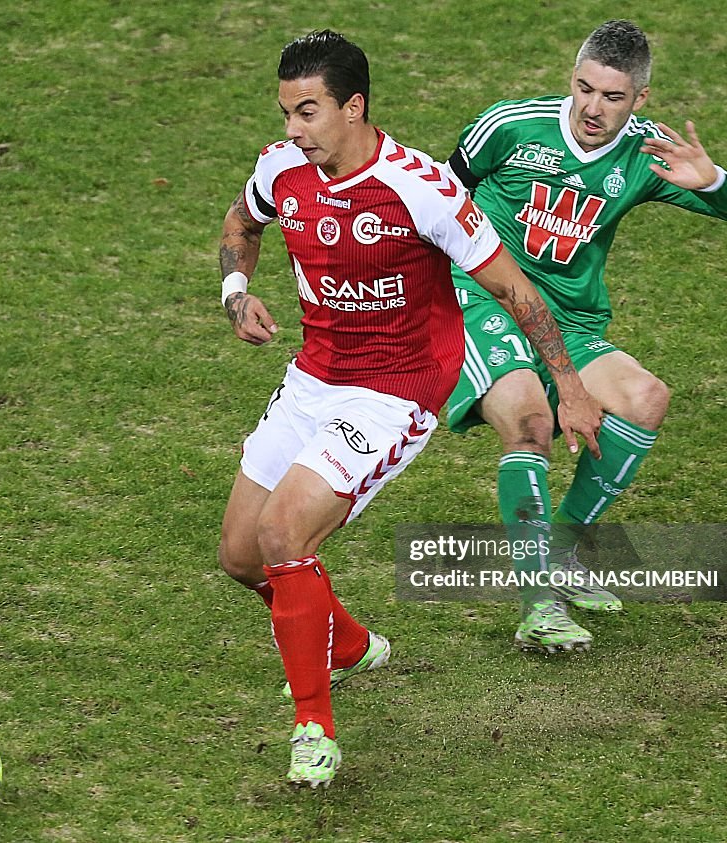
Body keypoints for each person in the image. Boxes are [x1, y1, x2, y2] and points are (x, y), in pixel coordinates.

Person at [216, 29, 601, 789]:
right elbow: (241, 224)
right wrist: (236, 293)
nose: (293, 127)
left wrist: (574, 388)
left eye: (309, 111)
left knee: (282, 531)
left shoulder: (420, 187)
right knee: (239, 556)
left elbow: (515, 290)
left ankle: (313, 729)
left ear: (353, 107)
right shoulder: (281, 168)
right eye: (288, 111)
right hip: (313, 379)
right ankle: (351, 644)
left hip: (395, 391)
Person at [444, 19, 727, 652]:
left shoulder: (646, 150)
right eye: (584, 89)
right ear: (572, 79)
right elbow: (436, 195)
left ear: (639, 99)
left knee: (646, 399)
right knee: (530, 420)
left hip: (571, 322)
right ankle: (539, 608)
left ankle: (560, 549)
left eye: (612, 97)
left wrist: (713, 181)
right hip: (485, 298)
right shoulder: (508, 127)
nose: (592, 108)